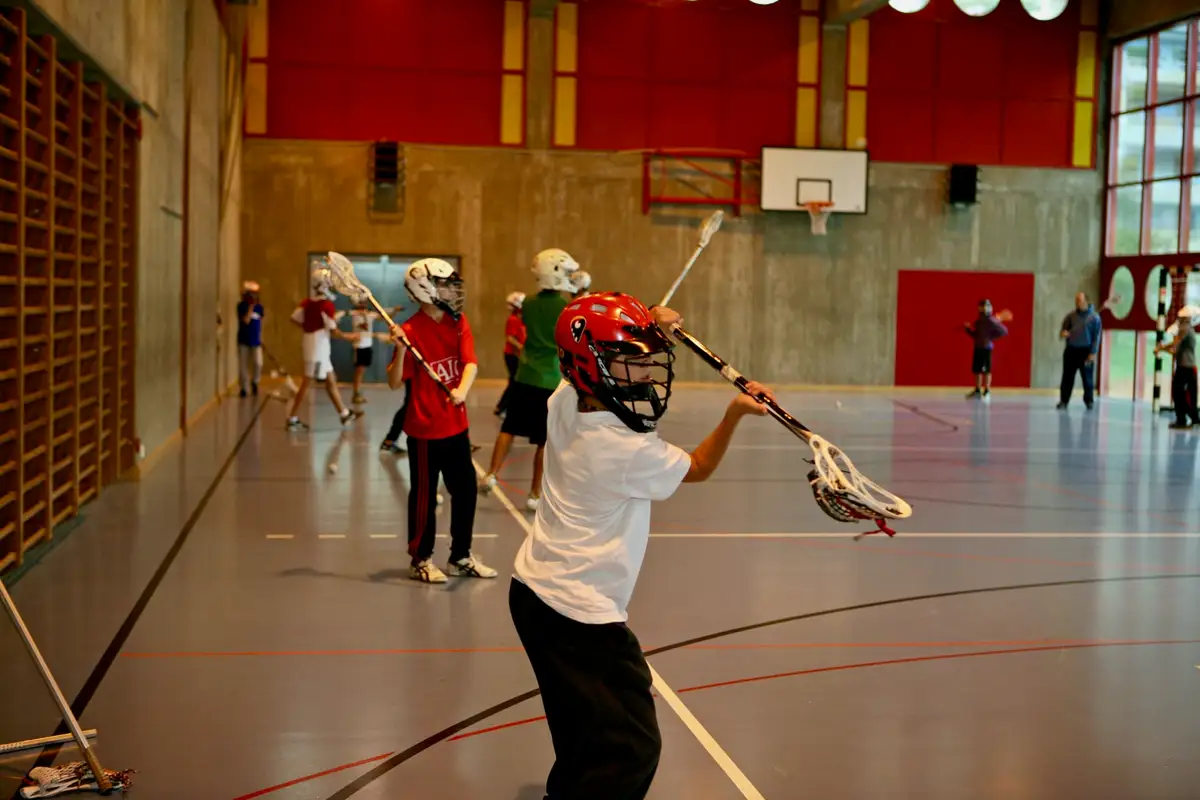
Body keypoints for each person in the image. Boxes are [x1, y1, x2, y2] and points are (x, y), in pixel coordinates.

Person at [509, 292, 772, 800]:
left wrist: (647, 323)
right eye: (630, 363)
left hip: (536, 595)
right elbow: (698, 467)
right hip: (577, 615)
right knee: (629, 749)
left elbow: (582, 341)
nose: (646, 374)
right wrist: (735, 412)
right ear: (592, 368)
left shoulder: (564, 400)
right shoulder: (621, 446)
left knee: (584, 741)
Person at [386, 258, 494, 583]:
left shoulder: (458, 322)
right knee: (424, 496)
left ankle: (460, 556)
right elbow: (394, 382)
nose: (451, 291)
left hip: (456, 425)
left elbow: (470, 363)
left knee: (466, 491)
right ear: (424, 289)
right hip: (424, 430)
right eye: (445, 285)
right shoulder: (409, 331)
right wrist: (400, 349)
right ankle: (420, 559)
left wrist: (462, 389)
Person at [479, 248, 580, 512]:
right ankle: (534, 493)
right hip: (550, 379)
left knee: (508, 428)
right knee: (543, 441)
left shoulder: (528, 303)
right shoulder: (566, 307)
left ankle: (491, 473)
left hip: (524, 374)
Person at [286, 266, 361, 430]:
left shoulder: (307, 303)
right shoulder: (326, 305)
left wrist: (310, 326)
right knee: (307, 383)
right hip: (318, 348)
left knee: (330, 380)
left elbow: (295, 319)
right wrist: (349, 337)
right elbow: (334, 331)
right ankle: (292, 417)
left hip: (313, 344)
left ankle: (344, 413)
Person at [1156, 307, 1199, 430]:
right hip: (1187, 367)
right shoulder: (1188, 329)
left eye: (1180, 317)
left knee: (1179, 394)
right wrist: (1162, 349)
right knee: (1187, 395)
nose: (1178, 319)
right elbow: (1175, 350)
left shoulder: (1184, 328)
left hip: (1185, 368)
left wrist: (1160, 348)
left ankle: (1183, 420)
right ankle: (1192, 419)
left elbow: (1174, 345)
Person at [1057, 291, 1102, 410]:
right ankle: (1064, 401)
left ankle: (1089, 401)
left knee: (1087, 378)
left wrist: (1093, 352)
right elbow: (1063, 331)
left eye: (1080, 300)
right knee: (1067, 378)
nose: (1077, 303)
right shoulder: (1070, 316)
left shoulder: (1094, 318)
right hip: (1071, 351)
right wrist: (1063, 333)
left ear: (1086, 301)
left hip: (1086, 352)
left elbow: (1096, 337)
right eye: (1076, 300)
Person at [964, 298, 1009, 402]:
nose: (985, 308)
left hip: (986, 348)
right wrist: (968, 330)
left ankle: (987, 390)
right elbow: (976, 335)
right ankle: (977, 390)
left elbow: (1004, 331)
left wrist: (991, 337)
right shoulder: (979, 321)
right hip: (978, 347)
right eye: (983, 306)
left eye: (987, 306)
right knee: (977, 370)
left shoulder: (992, 320)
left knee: (987, 370)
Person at [494, 291, 527, 418]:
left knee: (516, 382)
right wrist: (521, 348)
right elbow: (510, 338)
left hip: (517, 355)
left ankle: (505, 407)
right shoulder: (513, 320)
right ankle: (502, 407)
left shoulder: (521, 319)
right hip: (512, 355)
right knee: (514, 382)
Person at [237, 280, 264, 397]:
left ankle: (255, 382)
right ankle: (244, 388)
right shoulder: (241, 306)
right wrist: (250, 307)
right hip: (243, 340)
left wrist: (260, 337)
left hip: (256, 341)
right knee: (243, 366)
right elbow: (246, 320)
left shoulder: (260, 307)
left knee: (258, 363)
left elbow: (260, 322)